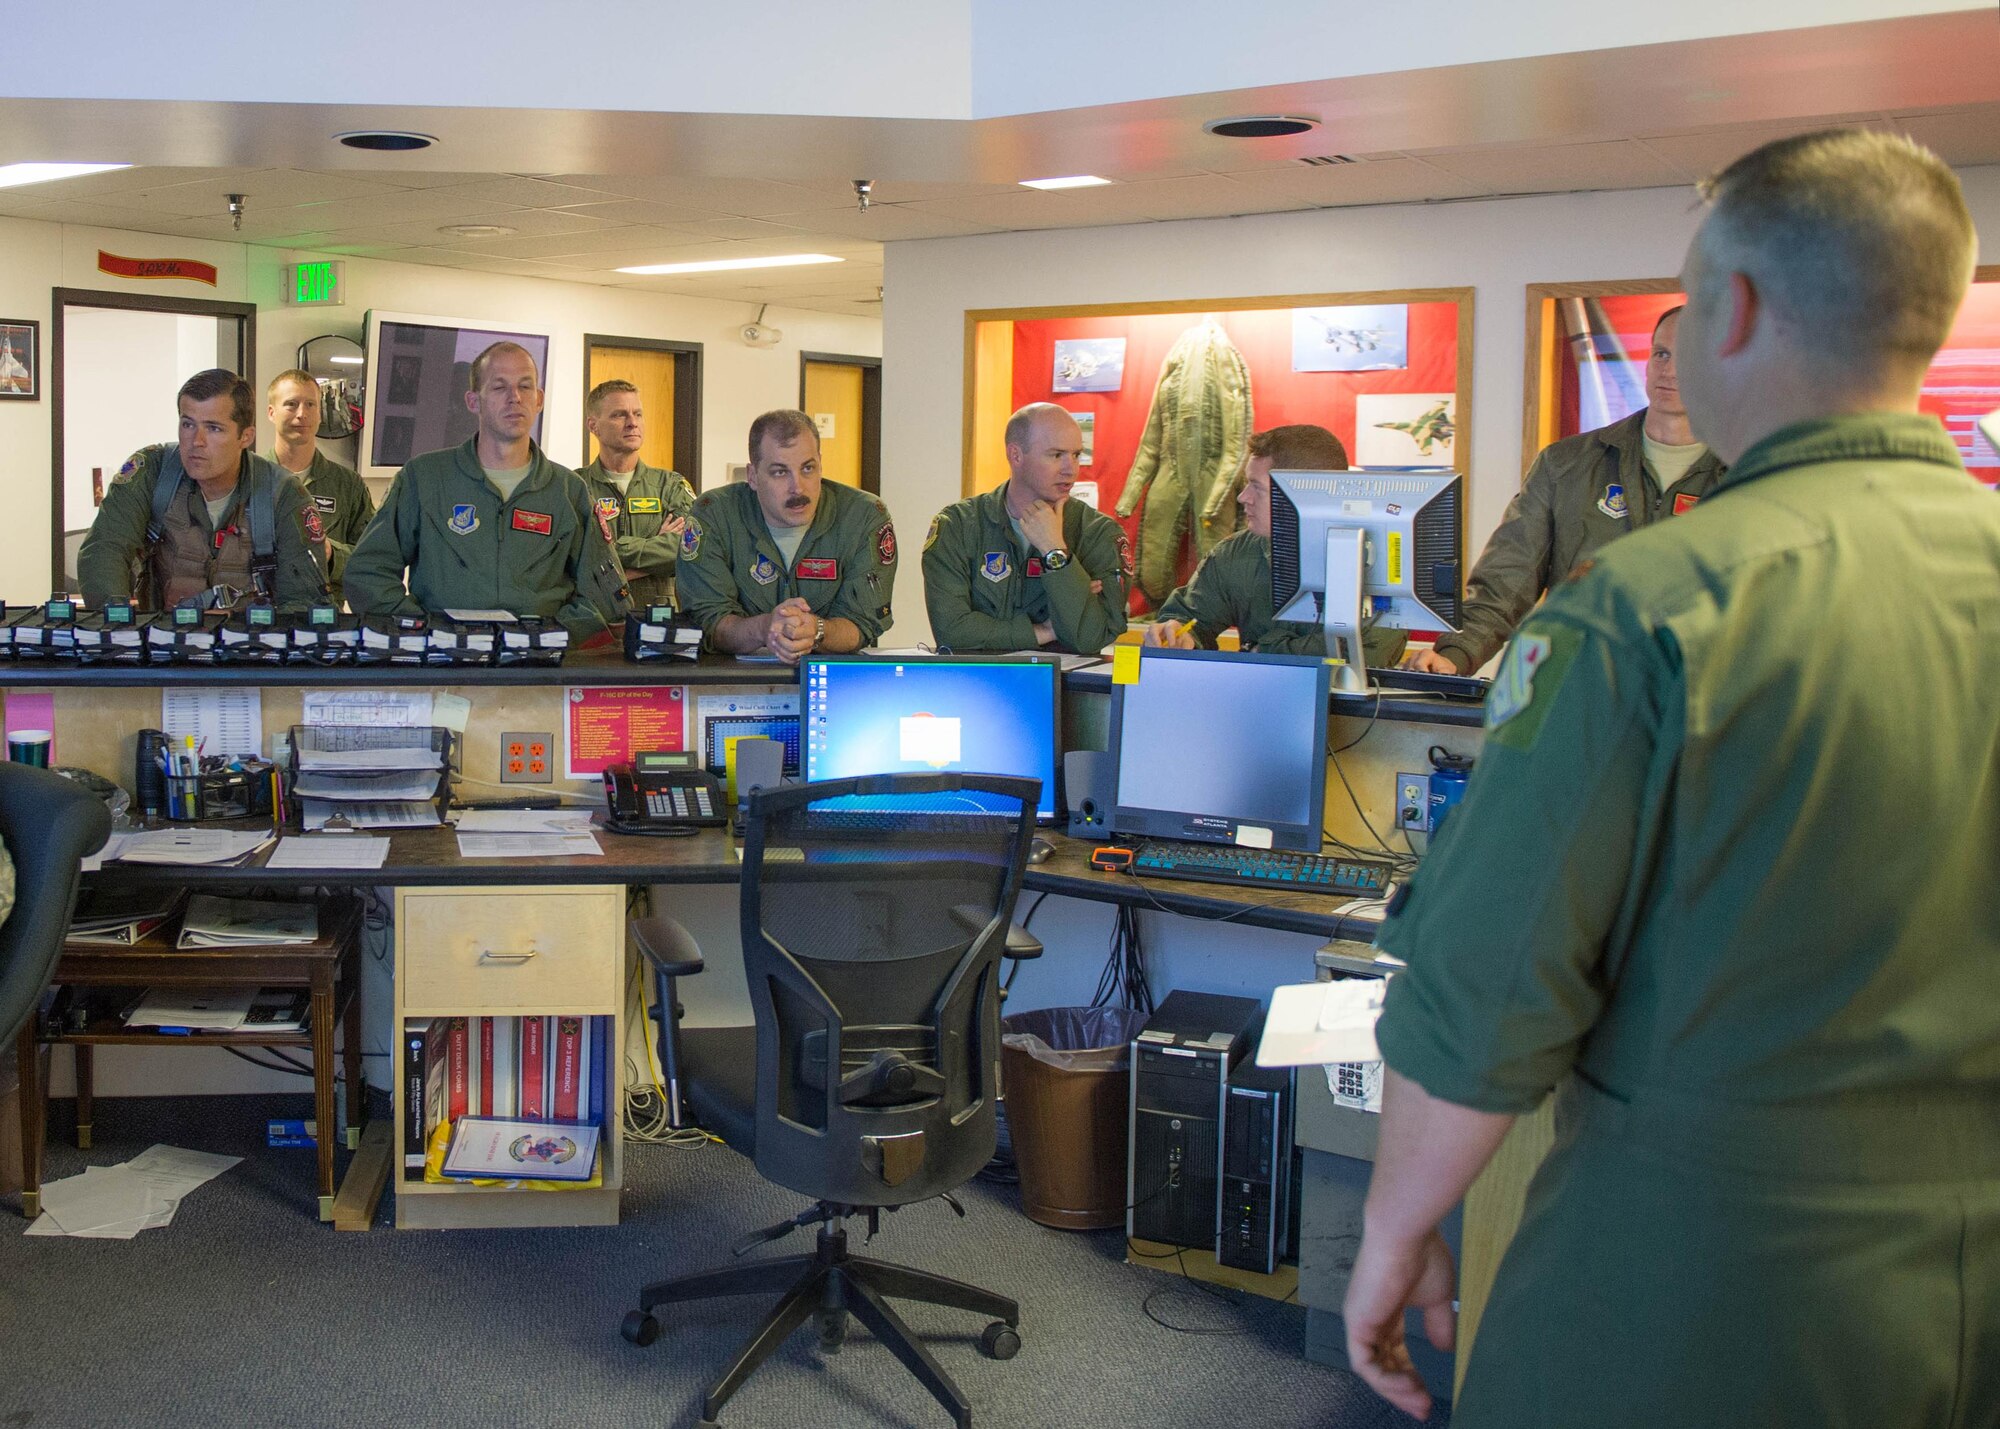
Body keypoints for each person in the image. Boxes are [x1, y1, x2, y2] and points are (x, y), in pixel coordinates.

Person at [1343, 129, 2000, 1427]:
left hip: (1711, 1275)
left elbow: (1487, 986)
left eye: (1690, 303)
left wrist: (1396, 1229)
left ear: (1737, 310)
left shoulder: (1655, 607)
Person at [1408, 306, 1723, 675]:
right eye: (1661, 353)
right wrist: (1455, 655)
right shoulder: (1568, 464)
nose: (1669, 370)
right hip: (1581, 689)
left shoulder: (1750, 473)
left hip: (1699, 702)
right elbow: (1506, 582)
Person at [344, 342, 629, 639]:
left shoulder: (569, 491)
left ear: (539, 399)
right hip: (444, 666)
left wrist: (547, 636)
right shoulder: (424, 479)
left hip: (536, 670)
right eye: (499, 387)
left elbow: (606, 596)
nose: (514, 398)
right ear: (473, 401)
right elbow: (367, 574)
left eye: (525, 386)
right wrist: (422, 631)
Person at [1141, 424, 1407, 666]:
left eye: (1257, 487)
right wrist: (1178, 635)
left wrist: (1262, 649)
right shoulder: (1236, 554)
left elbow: (1370, 651)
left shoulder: (1372, 558)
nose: (1244, 497)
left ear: (1302, 494)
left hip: (1354, 712)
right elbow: (1190, 618)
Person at [77, 367, 328, 612]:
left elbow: (303, 602)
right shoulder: (152, 472)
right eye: (188, 425)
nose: (196, 441)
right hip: (162, 643)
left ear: (246, 437)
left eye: (213, 428)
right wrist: (119, 631)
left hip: (249, 646)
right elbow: (104, 551)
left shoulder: (283, 494)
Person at [675, 409, 897, 663]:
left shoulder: (863, 516)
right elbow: (709, 622)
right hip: (735, 686)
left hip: (830, 683)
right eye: (780, 472)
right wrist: (764, 628)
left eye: (808, 468)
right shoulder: (714, 515)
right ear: (753, 476)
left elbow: (862, 623)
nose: (798, 487)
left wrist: (816, 630)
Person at [922, 403, 1129, 652]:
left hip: (1063, 687)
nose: (1070, 469)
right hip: (978, 685)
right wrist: (1045, 631)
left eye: (1076, 455)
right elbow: (952, 631)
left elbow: (1090, 638)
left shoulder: (1098, 533)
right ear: (1016, 455)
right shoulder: (959, 526)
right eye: (1056, 455)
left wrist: (1055, 552)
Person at [577, 379, 698, 611]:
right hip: (595, 619)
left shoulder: (670, 485)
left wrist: (614, 551)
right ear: (593, 426)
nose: (633, 423)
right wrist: (654, 550)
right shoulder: (575, 487)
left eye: (638, 414)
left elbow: (689, 548)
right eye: (619, 415)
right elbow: (576, 559)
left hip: (657, 618)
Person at [266, 368, 375, 608]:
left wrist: (330, 554)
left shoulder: (348, 485)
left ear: (320, 415)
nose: (301, 414)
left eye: (310, 405)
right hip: (261, 621)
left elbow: (372, 563)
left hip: (324, 622)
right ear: (271, 413)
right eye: (291, 404)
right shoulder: (251, 478)